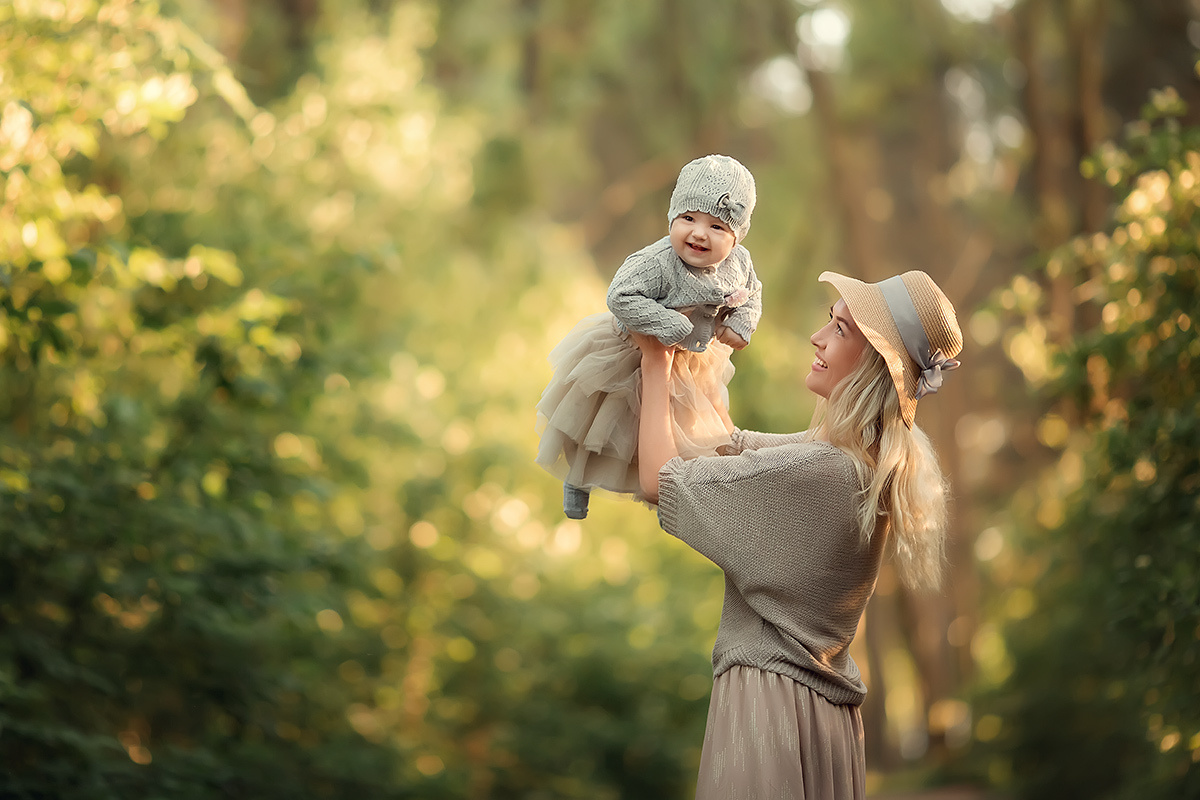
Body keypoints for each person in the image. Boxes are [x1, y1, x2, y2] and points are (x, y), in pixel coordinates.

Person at [634, 269, 963, 798]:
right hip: (816, 717)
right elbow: (727, 444)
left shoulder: (822, 473)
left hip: (771, 711)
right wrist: (699, 351)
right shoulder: (855, 465)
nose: (819, 336)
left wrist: (655, 358)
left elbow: (659, 480)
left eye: (841, 330)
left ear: (873, 365)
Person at [536, 155, 762, 519]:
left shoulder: (740, 263)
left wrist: (743, 321)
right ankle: (576, 478)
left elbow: (753, 291)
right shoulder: (655, 263)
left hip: (691, 360)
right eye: (688, 219)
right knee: (597, 424)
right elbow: (619, 296)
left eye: (717, 227)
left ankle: (671, 495)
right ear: (672, 217)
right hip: (631, 350)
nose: (699, 233)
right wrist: (667, 325)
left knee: (673, 433)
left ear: (736, 238)